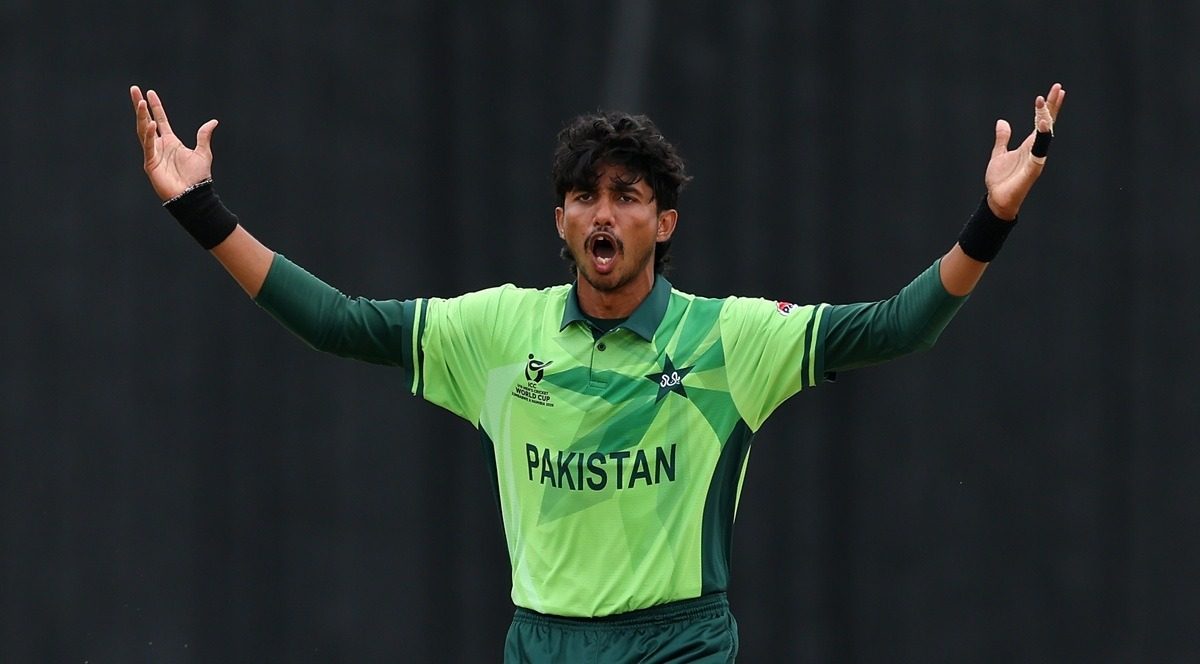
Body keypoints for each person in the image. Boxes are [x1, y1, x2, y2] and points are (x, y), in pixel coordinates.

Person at [130, 82, 1065, 663]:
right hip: (541, 641)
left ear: (665, 222)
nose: (603, 213)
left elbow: (901, 327)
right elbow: (338, 323)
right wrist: (200, 210)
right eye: (584, 196)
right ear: (561, 221)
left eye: (627, 195)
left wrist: (992, 218)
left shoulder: (729, 338)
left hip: (679, 641)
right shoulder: (499, 330)